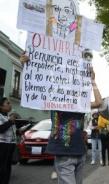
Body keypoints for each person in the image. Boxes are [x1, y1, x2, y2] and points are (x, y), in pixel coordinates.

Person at [20, 54, 102, 184]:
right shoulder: (55, 99)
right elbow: (34, 86)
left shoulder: (79, 102)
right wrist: (26, 66)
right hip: (64, 153)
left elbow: (98, 102)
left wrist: (93, 81)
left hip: (79, 151)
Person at [0, 97, 16, 184]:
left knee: (7, 167)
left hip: (10, 144)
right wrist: (10, 122)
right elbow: (1, 129)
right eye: (7, 103)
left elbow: (11, 131)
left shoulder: (8, 116)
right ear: (1, 106)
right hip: (2, 145)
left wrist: (19, 131)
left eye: (10, 103)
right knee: (2, 167)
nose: (10, 105)